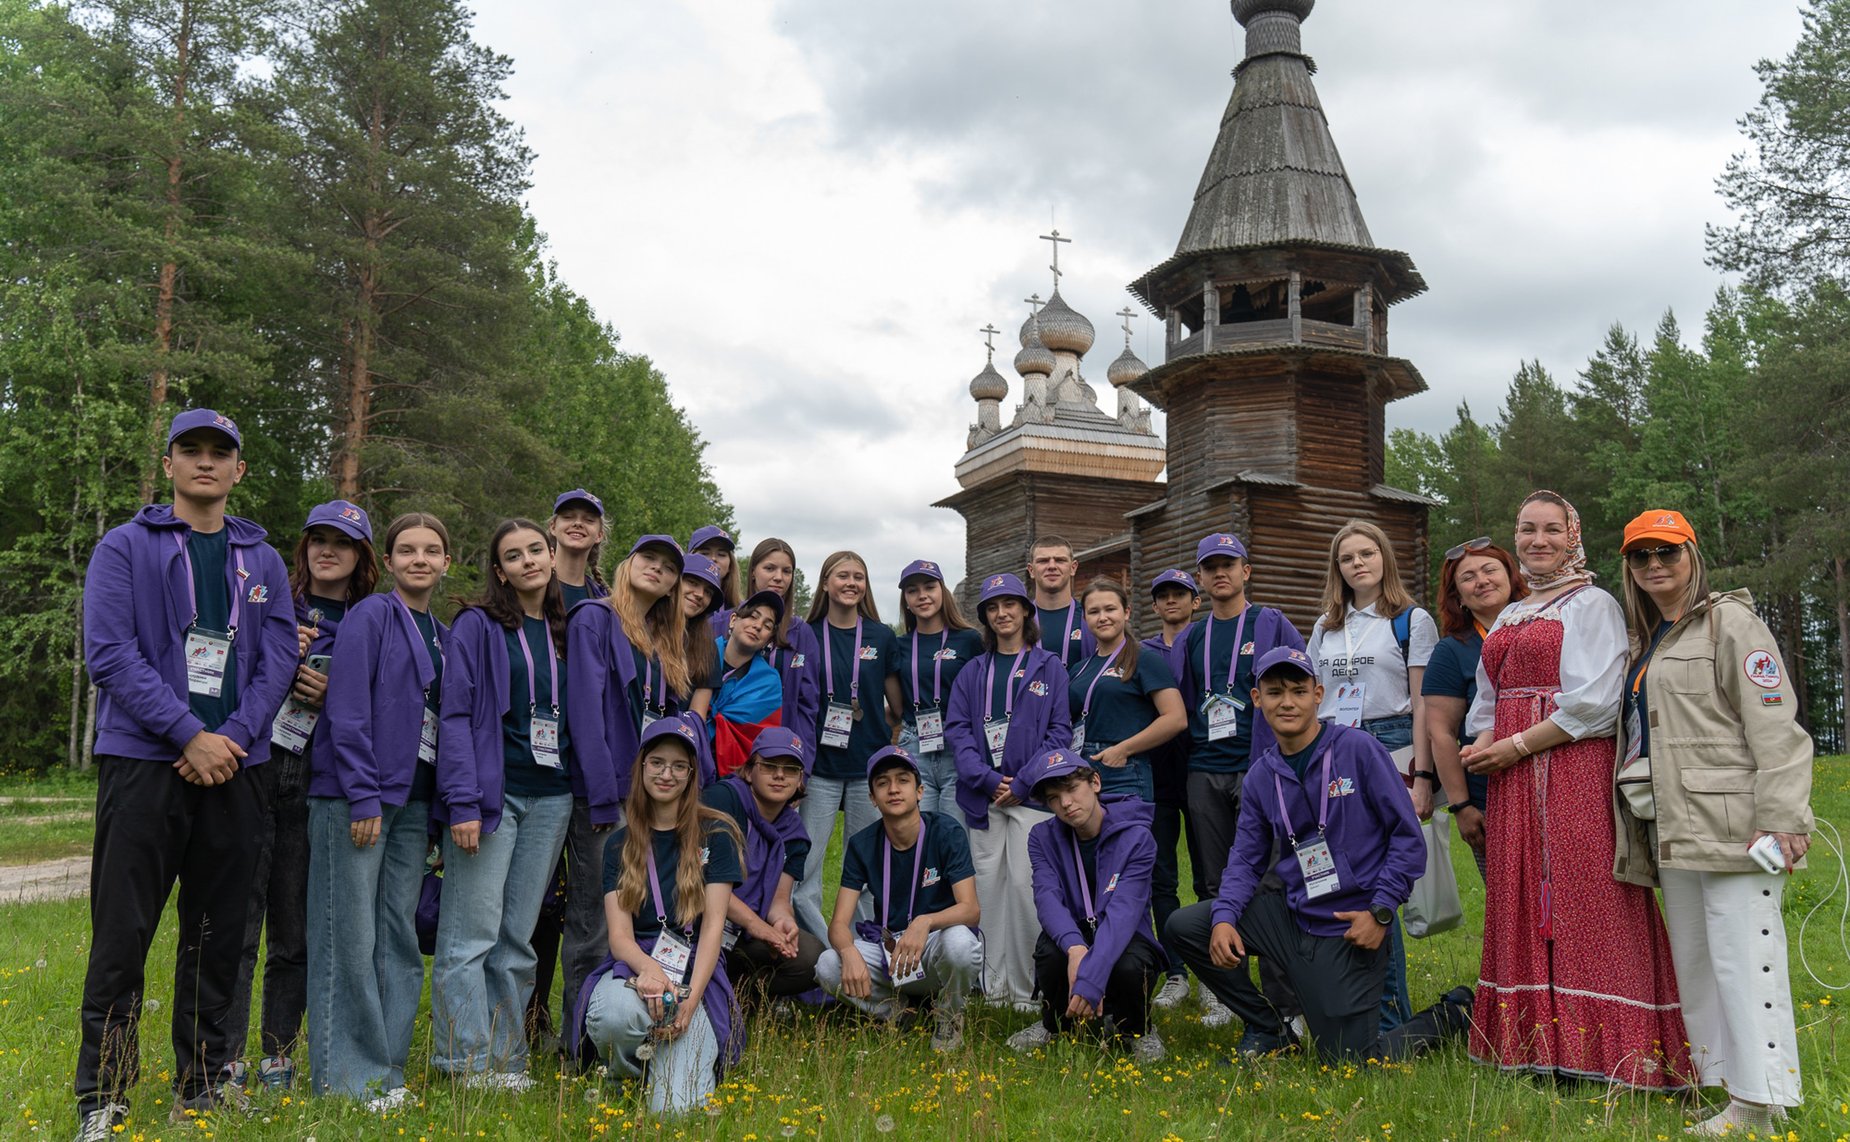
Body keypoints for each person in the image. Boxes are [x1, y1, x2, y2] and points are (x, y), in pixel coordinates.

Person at [74, 410, 297, 1140]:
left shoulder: (260, 559)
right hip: (146, 764)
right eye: (191, 450)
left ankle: (202, 1085)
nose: (206, 463)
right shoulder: (123, 548)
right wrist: (187, 734)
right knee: (124, 934)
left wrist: (229, 737)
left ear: (238, 471)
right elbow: (110, 654)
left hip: (238, 768)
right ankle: (102, 1098)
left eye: (220, 453)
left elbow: (277, 663)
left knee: (217, 933)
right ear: (169, 464)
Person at [1459, 490, 1690, 1089]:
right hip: (1511, 774)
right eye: (1527, 529)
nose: (1538, 541)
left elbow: (1596, 702)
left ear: (1573, 535)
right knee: (1523, 897)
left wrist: (1514, 745)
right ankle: (1538, 1044)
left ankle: (1613, 1055)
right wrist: (1483, 739)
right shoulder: (1511, 613)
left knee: (1588, 894)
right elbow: (1488, 695)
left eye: (1551, 530)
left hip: (1571, 766)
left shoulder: (1591, 604)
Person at [1165, 648, 1473, 1062]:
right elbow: (1244, 858)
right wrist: (1223, 918)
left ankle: (1452, 1013)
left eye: (1298, 690)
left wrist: (1380, 912)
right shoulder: (1262, 774)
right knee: (1187, 925)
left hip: (1349, 925)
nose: (1287, 702)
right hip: (1293, 917)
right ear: (1257, 699)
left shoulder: (1359, 750)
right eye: (1274, 692)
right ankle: (1270, 1028)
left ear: (1318, 694)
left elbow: (1406, 838)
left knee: (1352, 1060)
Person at [1611, 510, 1813, 1135]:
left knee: (1743, 958)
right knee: (1698, 961)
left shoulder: (1732, 624)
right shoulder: (1651, 639)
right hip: (1675, 826)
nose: (1655, 566)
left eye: (1667, 553)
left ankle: (1763, 1099)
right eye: (1641, 556)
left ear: (1692, 556)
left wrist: (1783, 818)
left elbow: (1776, 727)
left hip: (1740, 829)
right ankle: (1730, 1087)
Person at [228, 499, 377, 1092]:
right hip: (255, 768)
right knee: (237, 922)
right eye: (317, 538)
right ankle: (226, 1054)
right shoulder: (271, 601)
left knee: (293, 928)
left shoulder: (373, 620)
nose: (327, 550)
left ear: (361, 556)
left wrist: (332, 691)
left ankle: (278, 1056)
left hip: (318, 781)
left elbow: (389, 705)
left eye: (341, 542)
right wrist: (275, 662)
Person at [306, 511, 451, 1110]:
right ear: (388, 562)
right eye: (407, 549)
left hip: (414, 801)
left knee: (395, 934)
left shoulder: (442, 632)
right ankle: (348, 1077)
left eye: (431, 550)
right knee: (348, 934)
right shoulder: (371, 615)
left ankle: (386, 1070)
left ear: (446, 562)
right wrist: (363, 792)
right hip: (355, 798)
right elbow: (345, 705)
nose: (420, 559)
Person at [431, 519, 578, 1089]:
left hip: (552, 797)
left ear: (552, 554)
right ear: (500, 571)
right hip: (493, 798)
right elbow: (458, 715)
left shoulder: (568, 629)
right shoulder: (478, 625)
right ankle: (463, 1062)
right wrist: (462, 802)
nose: (528, 562)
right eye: (513, 556)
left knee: (517, 936)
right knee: (470, 934)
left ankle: (507, 1059)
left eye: (535, 550)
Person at [1305, 520, 1440, 1032]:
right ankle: (1363, 1005)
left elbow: (1424, 701)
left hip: (1391, 741)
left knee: (1383, 875)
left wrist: (1423, 774)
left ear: (1385, 558)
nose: (1357, 563)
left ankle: (1391, 1015)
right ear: (1336, 569)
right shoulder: (1326, 626)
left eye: (1367, 554)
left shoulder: (1410, 620)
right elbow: (1316, 697)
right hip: (1335, 745)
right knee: (1349, 871)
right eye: (1347, 558)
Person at [562, 534, 688, 1059]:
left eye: (668, 567)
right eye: (648, 560)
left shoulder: (664, 636)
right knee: (594, 917)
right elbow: (586, 712)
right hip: (608, 794)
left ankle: (639, 1021)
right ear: (626, 563)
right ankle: (582, 1044)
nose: (657, 570)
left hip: (652, 797)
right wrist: (599, 795)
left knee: (635, 909)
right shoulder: (595, 618)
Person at [579, 716, 744, 1115]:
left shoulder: (717, 834)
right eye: (656, 762)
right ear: (641, 768)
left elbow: (714, 930)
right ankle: (625, 1073)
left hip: (694, 969)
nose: (666, 774)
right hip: (637, 964)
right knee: (613, 1016)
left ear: (691, 775)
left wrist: (689, 1001)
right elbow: (619, 937)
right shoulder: (619, 844)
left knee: (673, 1111)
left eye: (678, 766)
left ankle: (668, 1066)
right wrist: (650, 971)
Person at [1175, 533, 1305, 1030]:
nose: (1220, 574)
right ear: (1202, 580)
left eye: (1228, 564)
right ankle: (1223, 994)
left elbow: (1303, 687)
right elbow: (1183, 703)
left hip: (1263, 769)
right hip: (1204, 770)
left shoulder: (1270, 622)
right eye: (1210, 567)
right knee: (1214, 881)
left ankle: (1286, 1004)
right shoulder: (1191, 636)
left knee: (1272, 880)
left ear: (1246, 571)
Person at [944, 572, 1071, 1007]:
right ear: (985, 617)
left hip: (1031, 798)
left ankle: (1030, 986)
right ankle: (992, 986)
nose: (1002, 613)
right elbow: (957, 731)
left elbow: (1060, 732)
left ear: (1025, 611)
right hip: (982, 797)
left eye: (1010, 605)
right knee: (986, 890)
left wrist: (1023, 781)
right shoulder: (972, 671)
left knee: (1024, 886)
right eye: (993, 608)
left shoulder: (1049, 666)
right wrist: (983, 777)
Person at [814, 745, 983, 1051]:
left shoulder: (946, 831)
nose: (893, 789)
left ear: (919, 791)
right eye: (882, 783)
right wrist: (848, 951)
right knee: (828, 964)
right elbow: (838, 923)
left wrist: (926, 921)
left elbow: (970, 910)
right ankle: (898, 1012)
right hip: (890, 950)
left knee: (961, 943)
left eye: (902, 780)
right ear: (872, 798)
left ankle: (948, 1015)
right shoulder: (862, 844)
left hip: (933, 948)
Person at [1009, 749, 1167, 1062]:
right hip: (1077, 927)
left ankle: (1137, 1029)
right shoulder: (1041, 837)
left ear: (1095, 782)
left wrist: (1091, 977)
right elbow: (1047, 897)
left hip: (1123, 931)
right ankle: (1055, 1025)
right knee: (1050, 953)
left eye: (1071, 790)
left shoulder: (1137, 836)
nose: (1065, 804)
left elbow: (1124, 913)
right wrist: (1075, 948)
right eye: (1054, 798)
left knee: (1130, 964)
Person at [795, 550, 900, 939]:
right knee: (806, 869)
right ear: (825, 583)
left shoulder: (881, 635)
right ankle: (827, 953)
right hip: (820, 768)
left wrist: (876, 726)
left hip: (867, 769)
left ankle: (867, 953)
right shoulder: (806, 633)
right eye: (842, 575)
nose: (851, 582)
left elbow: (898, 705)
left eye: (859, 576)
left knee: (868, 869)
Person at [1422, 537, 1527, 881]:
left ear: (1511, 576)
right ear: (1458, 598)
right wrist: (1463, 806)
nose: (1481, 580)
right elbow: (1441, 733)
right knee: (1508, 903)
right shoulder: (1452, 651)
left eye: (1489, 570)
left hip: (1555, 787)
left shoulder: (1547, 627)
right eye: (1467, 578)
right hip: (1489, 799)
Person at [700, 727, 824, 1003]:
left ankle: (742, 998)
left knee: (810, 956)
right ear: (748, 770)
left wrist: (783, 922)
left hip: (743, 934)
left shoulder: (795, 832)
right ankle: (708, 992)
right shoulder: (722, 800)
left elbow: (779, 898)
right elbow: (703, 882)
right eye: (769, 766)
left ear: (800, 780)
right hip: (700, 918)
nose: (780, 775)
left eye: (790, 769)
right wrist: (758, 926)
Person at [1068, 578, 1186, 803]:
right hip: (1081, 769)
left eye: (1110, 609)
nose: (1102, 617)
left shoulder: (1144, 659)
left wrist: (1123, 750)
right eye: (1094, 612)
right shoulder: (1079, 669)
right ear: (1085, 619)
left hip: (1123, 768)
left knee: (1125, 837)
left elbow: (1176, 718)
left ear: (1126, 612)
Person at [1141, 568, 1199, 1011]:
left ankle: (1218, 970)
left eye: (1180, 593)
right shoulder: (1141, 651)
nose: (1172, 601)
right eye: (1164, 596)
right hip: (1156, 774)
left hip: (1201, 768)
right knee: (1161, 877)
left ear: (1194, 600)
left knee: (1209, 874)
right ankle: (1176, 971)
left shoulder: (1206, 641)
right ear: (1155, 605)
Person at [893, 559, 985, 823]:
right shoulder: (899, 645)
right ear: (906, 600)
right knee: (917, 831)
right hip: (914, 741)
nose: (922, 596)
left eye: (929, 587)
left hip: (957, 743)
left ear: (942, 592)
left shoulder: (969, 640)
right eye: (912, 591)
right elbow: (897, 703)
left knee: (954, 832)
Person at [742, 538, 823, 762]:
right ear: (753, 572)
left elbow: (807, 707)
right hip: (732, 747)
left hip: (781, 756)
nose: (779, 577)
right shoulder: (727, 621)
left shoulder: (802, 633)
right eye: (770, 568)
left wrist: (803, 767)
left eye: (787, 571)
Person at [702, 591, 791, 776]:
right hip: (688, 756)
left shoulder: (769, 683)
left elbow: (761, 739)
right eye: (752, 616)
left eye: (767, 625)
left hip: (734, 775)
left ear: (769, 638)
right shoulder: (700, 655)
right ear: (733, 620)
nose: (758, 626)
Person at [1027, 535, 1096, 668]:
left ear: (1073, 567)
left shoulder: (1090, 617)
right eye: (1043, 561)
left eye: (1060, 560)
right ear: (1031, 570)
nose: (1052, 566)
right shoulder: (1020, 619)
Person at [550, 490, 609, 609]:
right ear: (553, 527)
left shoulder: (602, 600)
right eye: (568, 517)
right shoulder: (531, 584)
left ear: (599, 535)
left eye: (589, 520)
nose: (578, 523)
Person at [689, 525, 740, 634]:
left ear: (730, 565)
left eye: (721, 554)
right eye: (704, 553)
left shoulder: (740, 611)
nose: (713, 559)